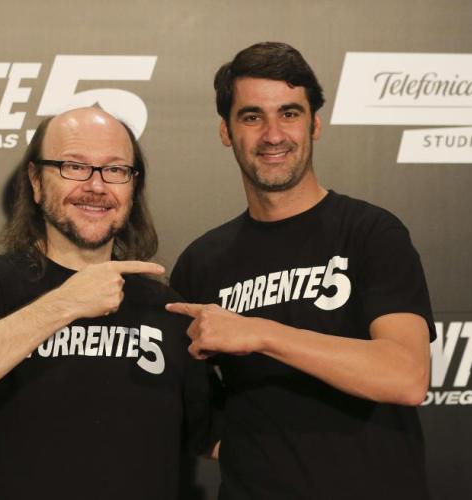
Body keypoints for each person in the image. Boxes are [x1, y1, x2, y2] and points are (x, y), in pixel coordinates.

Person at [167, 42, 435, 499]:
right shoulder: (201, 262)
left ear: (314, 124)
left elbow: (406, 376)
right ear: (226, 131)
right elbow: (189, 409)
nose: (273, 134)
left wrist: (260, 333)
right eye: (252, 117)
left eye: (289, 114)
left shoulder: (371, 233)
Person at [0, 107, 211, 500]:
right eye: (74, 166)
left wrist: (263, 338)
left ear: (133, 186)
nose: (96, 186)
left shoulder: (165, 308)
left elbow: (218, 437)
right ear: (36, 181)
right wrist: (65, 302)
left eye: (115, 169)